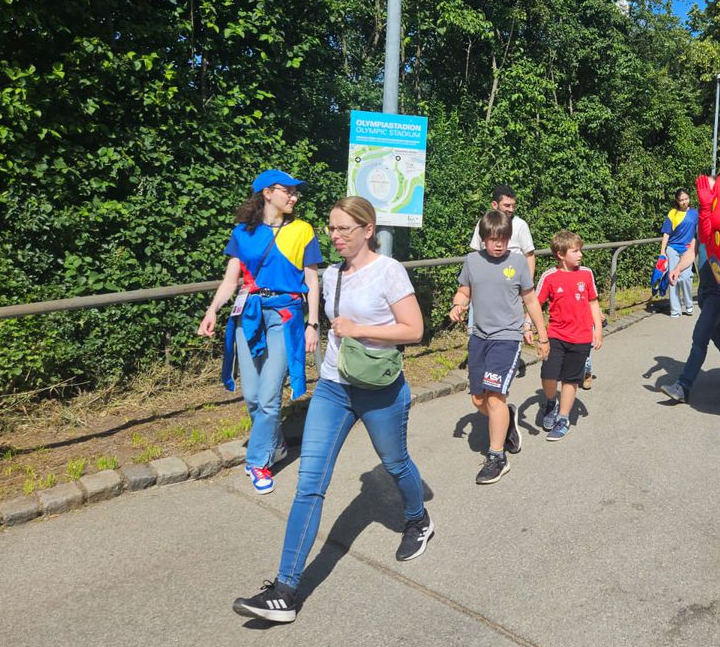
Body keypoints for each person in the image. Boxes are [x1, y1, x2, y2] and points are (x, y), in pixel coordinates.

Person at [232, 197, 431, 623]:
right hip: (334, 388)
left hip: (379, 389)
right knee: (310, 484)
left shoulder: (389, 271)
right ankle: (285, 590)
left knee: (395, 464)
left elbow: (414, 329)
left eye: (344, 229)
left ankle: (418, 519)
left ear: (367, 229)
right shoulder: (332, 273)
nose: (335, 236)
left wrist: (359, 329)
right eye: (332, 228)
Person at [198, 170, 321, 495]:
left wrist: (313, 323)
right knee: (252, 395)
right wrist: (212, 311)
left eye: (296, 192)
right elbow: (230, 280)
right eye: (288, 191)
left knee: (268, 398)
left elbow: (311, 280)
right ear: (267, 193)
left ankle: (256, 462)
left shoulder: (302, 230)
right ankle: (276, 445)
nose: (294, 197)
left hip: (285, 316)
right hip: (248, 313)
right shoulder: (243, 232)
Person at [450, 209, 549, 484]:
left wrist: (542, 336)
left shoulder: (517, 263)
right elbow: (464, 291)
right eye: (493, 239)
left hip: (506, 337)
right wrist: (458, 304)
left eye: (503, 239)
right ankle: (506, 417)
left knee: (494, 397)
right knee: (478, 399)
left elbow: (530, 300)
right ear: (483, 239)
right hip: (478, 337)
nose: (498, 244)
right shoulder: (472, 261)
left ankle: (497, 457)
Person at [533, 231, 603, 440]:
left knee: (571, 379)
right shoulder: (550, 276)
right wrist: (529, 326)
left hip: (581, 337)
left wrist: (597, 330)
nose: (580, 254)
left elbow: (593, 302)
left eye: (580, 249)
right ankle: (550, 402)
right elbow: (535, 303)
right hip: (556, 334)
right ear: (561, 254)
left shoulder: (586, 274)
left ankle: (563, 418)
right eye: (575, 251)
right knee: (548, 374)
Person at [469, 183, 536, 376]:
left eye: (513, 206)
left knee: (508, 322)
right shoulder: (484, 223)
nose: (511, 210)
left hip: (511, 282)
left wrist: (526, 284)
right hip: (486, 285)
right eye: (507, 205)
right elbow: (475, 253)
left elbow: (529, 255)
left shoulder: (520, 225)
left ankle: (503, 364)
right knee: (478, 327)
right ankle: (481, 366)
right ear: (494, 204)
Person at [660, 238, 720, 403]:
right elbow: (692, 250)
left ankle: (683, 386)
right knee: (719, 335)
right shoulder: (701, 222)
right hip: (704, 289)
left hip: (719, 292)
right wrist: (678, 268)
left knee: (700, 337)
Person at [659, 189, 699, 318]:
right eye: (681, 200)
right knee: (673, 278)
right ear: (677, 201)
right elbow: (666, 233)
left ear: (689, 198)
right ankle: (675, 310)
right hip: (673, 248)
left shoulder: (695, 214)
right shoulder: (672, 213)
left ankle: (688, 304)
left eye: (686, 199)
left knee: (686, 277)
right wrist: (663, 252)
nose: (684, 202)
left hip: (687, 249)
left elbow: (699, 232)